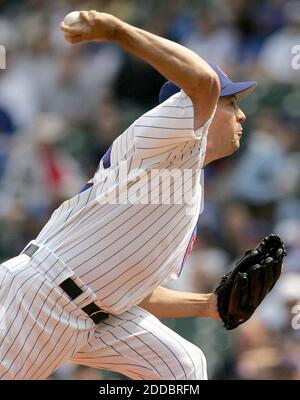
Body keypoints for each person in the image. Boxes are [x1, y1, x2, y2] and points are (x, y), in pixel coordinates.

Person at [0, 10, 257, 380]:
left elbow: (135, 291)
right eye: (231, 104)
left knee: (183, 369)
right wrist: (118, 32)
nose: (242, 114)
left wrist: (209, 305)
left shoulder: (183, 179)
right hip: (41, 301)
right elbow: (202, 82)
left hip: (94, 312)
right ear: (183, 105)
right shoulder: (166, 131)